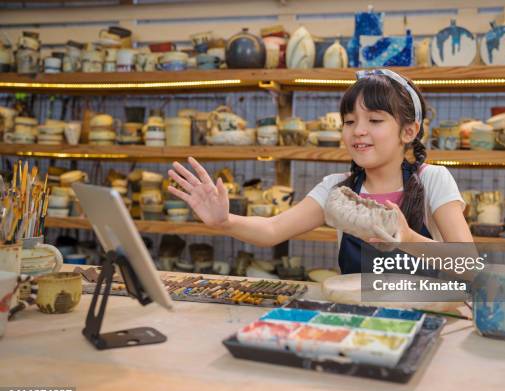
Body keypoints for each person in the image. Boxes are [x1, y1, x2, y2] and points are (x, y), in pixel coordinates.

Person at [168, 69, 473, 276]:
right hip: (362, 321)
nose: (359, 132)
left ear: (408, 131)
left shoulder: (433, 179)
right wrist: (225, 221)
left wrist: (406, 238)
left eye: (375, 121)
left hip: (427, 316)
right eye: (350, 121)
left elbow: (467, 263)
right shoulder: (337, 188)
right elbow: (273, 230)